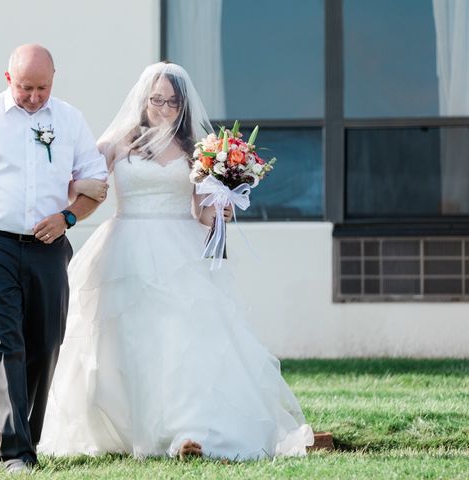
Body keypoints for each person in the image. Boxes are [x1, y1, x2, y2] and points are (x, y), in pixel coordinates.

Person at [38, 62, 314, 460]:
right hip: (125, 245)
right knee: (127, 340)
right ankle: (129, 427)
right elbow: (84, 185)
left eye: (172, 101)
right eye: (157, 99)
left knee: (183, 340)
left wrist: (222, 208)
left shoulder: (196, 150)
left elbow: (202, 213)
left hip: (180, 248)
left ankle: (186, 431)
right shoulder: (117, 144)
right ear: (143, 100)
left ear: (182, 105)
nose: (164, 107)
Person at [0, 44, 108, 473]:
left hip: (48, 246)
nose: (34, 96)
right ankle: (17, 452)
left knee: (46, 343)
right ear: (8, 79)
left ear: (54, 80)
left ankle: (28, 436)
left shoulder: (69, 120)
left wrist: (67, 217)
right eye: (26, 87)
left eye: (42, 88)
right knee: (2, 342)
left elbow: (96, 184)